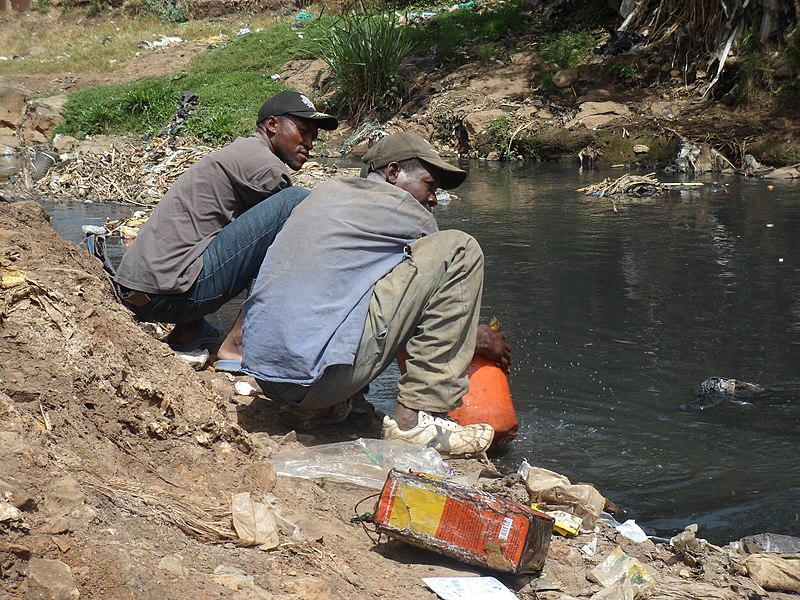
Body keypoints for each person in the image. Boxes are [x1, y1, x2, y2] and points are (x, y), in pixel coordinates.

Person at [240, 132, 511, 456]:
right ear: (393, 172)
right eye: (429, 185)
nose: (434, 199)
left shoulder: (326, 193)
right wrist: (473, 339)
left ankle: (332, 407)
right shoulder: (405, 210)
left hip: (267, 376)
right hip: (313, 382)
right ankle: (417, 420)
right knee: (461, 249)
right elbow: (426, 305)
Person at [113, 90, 338, 370]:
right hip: (166, 297)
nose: (309, 143)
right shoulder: (265, 167)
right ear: (272, 125)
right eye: (303, 131)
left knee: (228, 234)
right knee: (294, 204)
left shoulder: (242, 151)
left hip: (138, 292)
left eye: (313, 137)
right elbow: (288, 245)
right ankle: (239, 344)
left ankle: (190, 331)